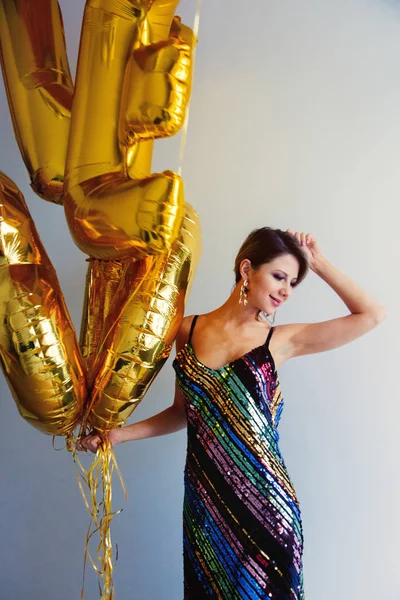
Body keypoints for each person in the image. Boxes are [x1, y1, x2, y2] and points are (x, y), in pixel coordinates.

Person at [77, 227, 387, 599]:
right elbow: (183, 412)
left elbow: (372, 314)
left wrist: (316, 261)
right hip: (205, 503)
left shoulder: (281, 340)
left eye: (293, 282)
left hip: (267, 503)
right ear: (246, 269)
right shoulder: (186, 330)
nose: (286, 290)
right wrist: (118, 434)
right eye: (278, 276)